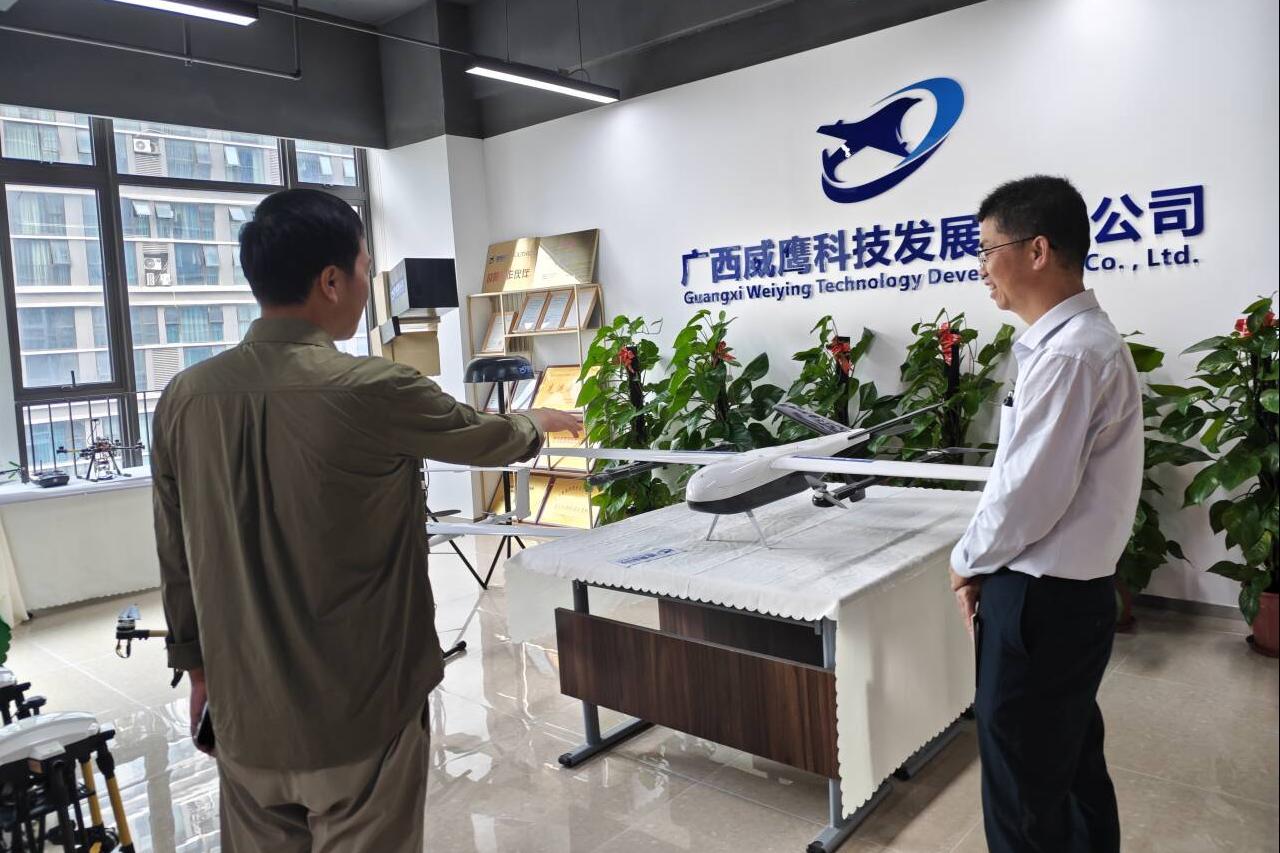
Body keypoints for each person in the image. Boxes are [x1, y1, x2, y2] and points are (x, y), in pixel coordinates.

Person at [151, 188, 581, 852]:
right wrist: (538, 421)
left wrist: (199, 670)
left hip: (244, 713)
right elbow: (485, 436)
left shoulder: (184, 396)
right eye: (361, 270)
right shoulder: (374, 388)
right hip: (360, 711)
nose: (364, 287)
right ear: (330, 281)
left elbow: (175, 551)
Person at [949, 175, 1142, 853]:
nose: (980, 269)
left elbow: (1027, 496)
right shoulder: (1073, 344)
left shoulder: (1069, 355)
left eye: (987, 250)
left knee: (1024, 794)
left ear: (1036, 250)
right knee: (1069, 766)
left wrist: (966, 562)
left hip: (1040, 602)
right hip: (1065, 598)